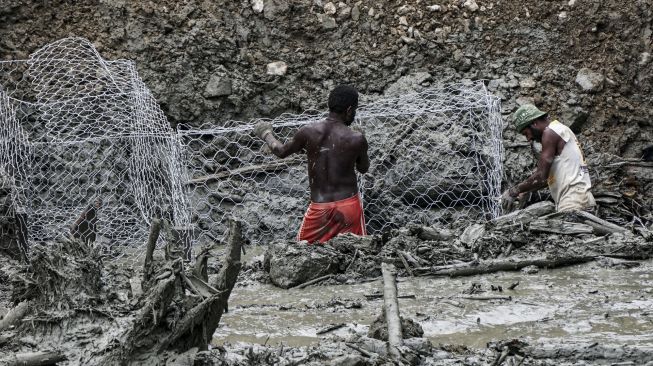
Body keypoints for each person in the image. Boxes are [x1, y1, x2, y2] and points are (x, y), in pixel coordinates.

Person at [254, 85, 369, 243]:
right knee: (356, 252)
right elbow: (363, 169)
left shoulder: (308, 132)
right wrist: (358, 147)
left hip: (320, 209)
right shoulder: (357, 139)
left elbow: (280, 151)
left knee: (301, 252)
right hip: (348, 207)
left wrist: (265, 133)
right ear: (349, 110)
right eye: (354, 111)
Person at [501, 104, 595, 213]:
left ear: (534, 123)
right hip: (583, 198)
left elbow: (541, 176)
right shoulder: (559, 129)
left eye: (526, 133)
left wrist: (513, 191)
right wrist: (526, 191)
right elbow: (547, 179)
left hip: (573, 201)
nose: (529, 139)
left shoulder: (550, 133)